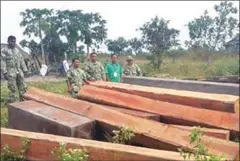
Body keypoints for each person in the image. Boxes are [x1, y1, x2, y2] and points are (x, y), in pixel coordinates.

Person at [1, 35, 29, 103]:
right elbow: (2, 61)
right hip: (10, 72)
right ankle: (14, 104)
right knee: (13, 89)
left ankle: (23, 102)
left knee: (23, 87)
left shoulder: (17, 51)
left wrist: (25, 70)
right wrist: (4, 72)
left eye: (14, 41)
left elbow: (21, 61)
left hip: (19, 71)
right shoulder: (4, 50)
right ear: (8, 41)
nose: (13, 43)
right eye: (12, 41)